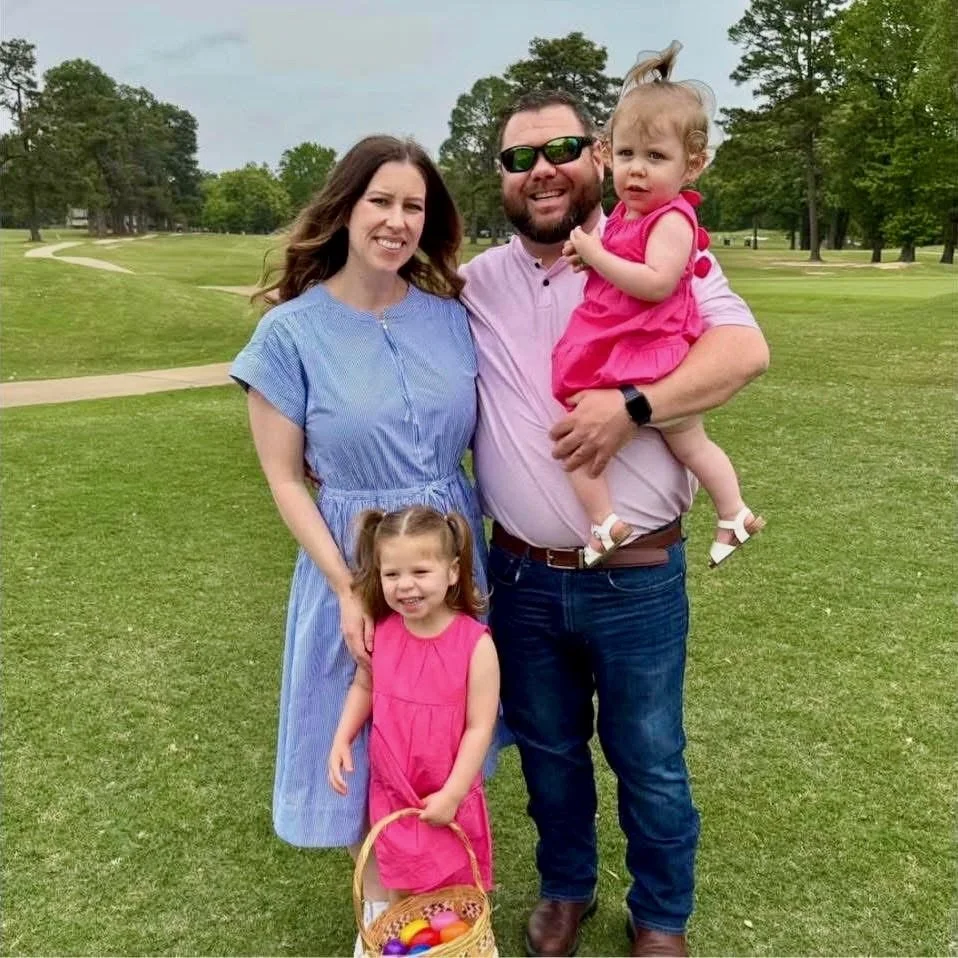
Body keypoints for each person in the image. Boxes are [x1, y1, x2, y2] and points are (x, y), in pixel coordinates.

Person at [459, 83, 769, 956]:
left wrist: (630, 408)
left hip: (636, 579)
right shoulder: (477, 283)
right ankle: (567, 889)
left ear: (596, 156)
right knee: (552, 758)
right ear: (504, 178)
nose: (542, 171)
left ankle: (660, 913)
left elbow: (746, 351)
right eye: (520, 159)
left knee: (649, 759)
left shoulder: (664, 250)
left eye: (560, 150)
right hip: (520, 575)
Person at [230, 135, 489, 945]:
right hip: (355, 567)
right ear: (346, 207)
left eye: (414, 206)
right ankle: (385, 924)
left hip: (449, 567)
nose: (397, 220)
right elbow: (282, 477)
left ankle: (444, 915)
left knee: (444, 733)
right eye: (381, 200)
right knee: (369, 733)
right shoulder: (291, 334)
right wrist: (348, 586)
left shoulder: (452, 319)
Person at [553, 43, 764, 568]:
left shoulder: (670, 220)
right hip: (639, 348)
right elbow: (621, 268)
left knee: (577, 437)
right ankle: (733, 512)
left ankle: (605, 523)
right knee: (688, 444)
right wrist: (593, 258)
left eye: (655, 157)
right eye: (626, 156)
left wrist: (595, 253)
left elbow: (654, 283)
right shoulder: (626, 216)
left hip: (643, 351)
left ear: (692, 165)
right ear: (607, 156)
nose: (637, 172)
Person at [328, 506, 498, 900]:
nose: (406, 586)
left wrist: (453, 794)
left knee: (458, 889)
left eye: (420, 572)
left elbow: (480, 727)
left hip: (446, 787)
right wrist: (341, 738)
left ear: (453, 572)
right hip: (395, 792)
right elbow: (364, 687)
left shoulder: (475, 644)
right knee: (402, 889)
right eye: (392, 574)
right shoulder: (383, 634)